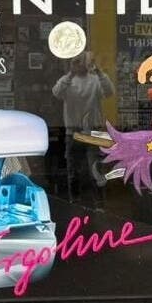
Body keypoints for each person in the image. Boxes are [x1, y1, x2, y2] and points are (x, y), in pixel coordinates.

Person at [53, 53, 114, 202]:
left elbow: (109, 91)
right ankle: (75, 202)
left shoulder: (95, 80)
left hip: (93, 132)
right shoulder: (68, 81)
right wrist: (71, 73)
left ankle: (99, 203)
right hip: (73, 131)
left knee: (96, 170)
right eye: (77, 62)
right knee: (73, 172)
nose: (81, 65)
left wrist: (99, 71)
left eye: (84, 61)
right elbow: (56, 92)